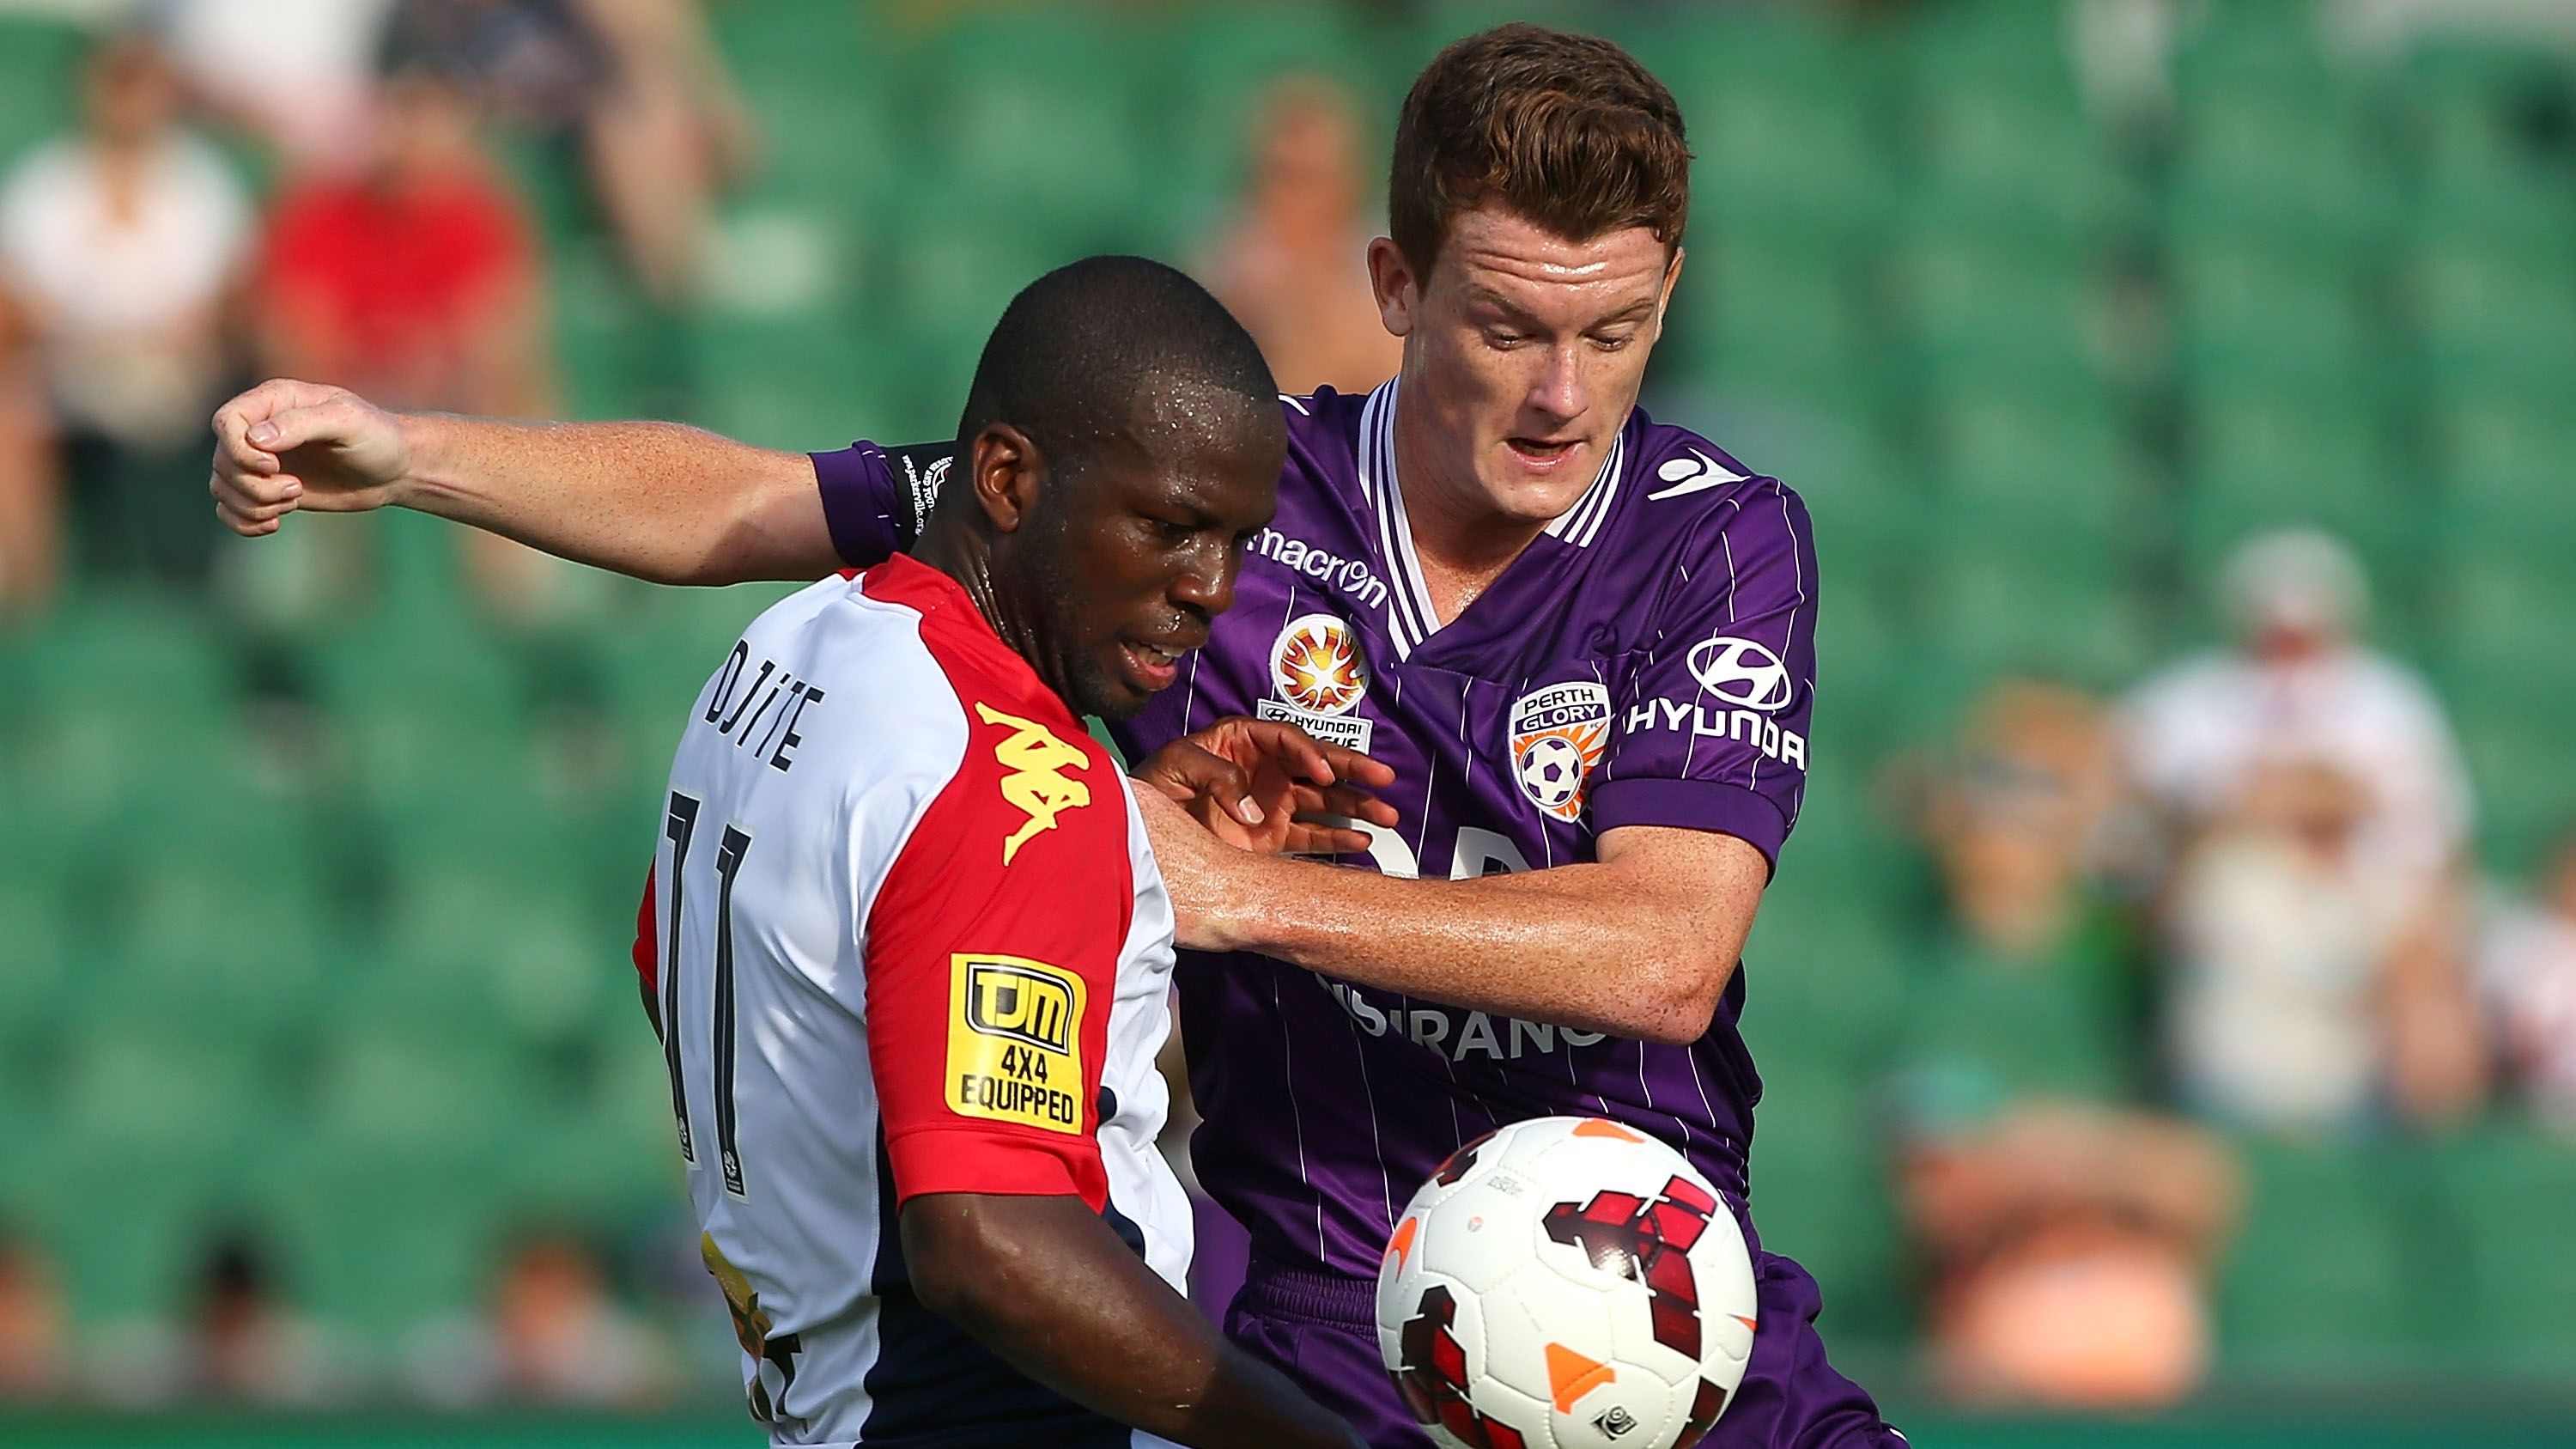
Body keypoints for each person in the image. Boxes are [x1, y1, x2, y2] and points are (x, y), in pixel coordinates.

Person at [210, 26, 1907, 1446]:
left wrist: (1232, 895)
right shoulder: (1204, 493)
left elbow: (1666, 954)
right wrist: (412, 454)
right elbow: (752, 499)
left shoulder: (1717, 538)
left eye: (1615, 333)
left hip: (1660, 1282)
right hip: (1336, 1311)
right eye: (1509, 328)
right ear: (1394, 283)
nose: (1561, 395)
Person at [645, 255, 1368, 1446]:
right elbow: (986, 1237)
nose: (1212, 589)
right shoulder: (1008, 784)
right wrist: (1309, 1440)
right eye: (1171, 526)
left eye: (1239, 539)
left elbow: (715, 974)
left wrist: (1107, 852)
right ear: (1007, 478)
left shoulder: (781, 649)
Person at [1, 29, 252, 597]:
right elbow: (15, 304)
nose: (128, 101)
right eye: (116, 84)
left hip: (178, 374)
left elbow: (230, 302)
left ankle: (194, 587)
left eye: (140, 84)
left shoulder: (201, 183)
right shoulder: (45, 184)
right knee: (9, 416)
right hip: (68, 367)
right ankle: (28, 600)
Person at [1199, 76, 1406, 396]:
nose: (1287, 199)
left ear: (1350, 181)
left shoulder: (1385, 276)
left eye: (1306, 178)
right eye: (1277, 175)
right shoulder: (1230, 266)